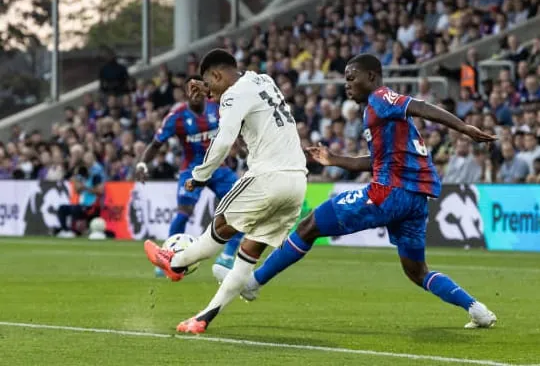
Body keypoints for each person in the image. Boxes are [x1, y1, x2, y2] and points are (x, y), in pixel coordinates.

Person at [238, 54, 498, 329]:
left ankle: (254, 283)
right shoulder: (378, 116)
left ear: (371, 77)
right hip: (415, 198)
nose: (347, 85)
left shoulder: (381, 99)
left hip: (389, 193)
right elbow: (376, 161)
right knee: (417, 271)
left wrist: (464, 128)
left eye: (352, 78)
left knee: (310, 225)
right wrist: (335, 159)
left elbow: (419, 106)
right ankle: (477, 309)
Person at [143, 49, 308, 334]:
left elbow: (222, 141)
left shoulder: (233, 94)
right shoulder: (264, 80)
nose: (211, 98)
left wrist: (199, 175)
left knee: (220, 226)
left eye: (211, 86)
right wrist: (207, 87)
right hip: (297, 183)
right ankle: (203, 318)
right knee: (248, 252)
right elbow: (238, 97)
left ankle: (177, 262)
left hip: (267, 176)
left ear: (218, 75)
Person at [135, 75, 243, 280]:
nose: (194, 92)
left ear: (204, 89)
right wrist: (142, 163)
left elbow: (235, 128)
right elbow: (156, 144)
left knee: (241, 205)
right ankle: (165, 258)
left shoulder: (217, 107)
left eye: (197, 87)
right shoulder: (176, 117)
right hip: (192, 170)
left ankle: (228, 256)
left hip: (218, 167)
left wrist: (242, 148)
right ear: (186, 92)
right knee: (184, 211)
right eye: (190, 88)